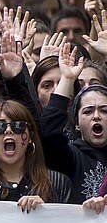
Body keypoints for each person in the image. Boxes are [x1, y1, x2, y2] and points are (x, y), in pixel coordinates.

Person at [39, 44, 107, 202]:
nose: (96, 116)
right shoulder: (71, 157)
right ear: (76, 123)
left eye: (104, 110)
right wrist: (67, 79)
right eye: (88, 111)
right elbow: (49, 133)